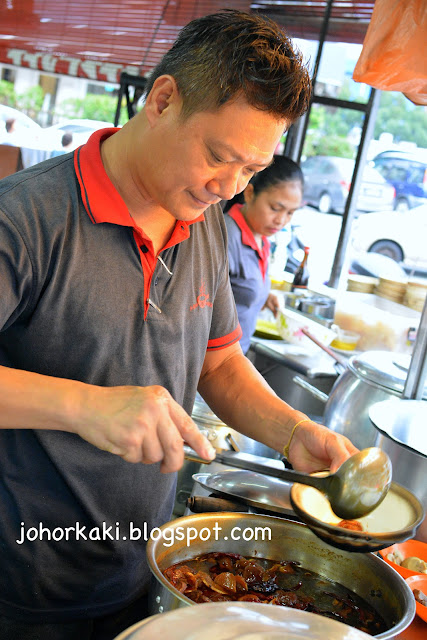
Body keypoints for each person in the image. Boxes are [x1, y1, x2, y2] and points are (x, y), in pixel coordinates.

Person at [0, 9, 358, 639]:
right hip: (22, 584)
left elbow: (217, 363)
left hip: (143, 566)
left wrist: (293, 431)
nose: (229, 186)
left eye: (251, 170)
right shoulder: (27, 218)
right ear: (163, 100)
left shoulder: (206, 224)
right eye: (219, 156)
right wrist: (86, 407)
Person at [223, 156, 304, 354]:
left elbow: (236, 290)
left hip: (236, 354)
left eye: (290, 213)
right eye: (275, 209)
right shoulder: (225, 236)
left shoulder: (263, 240)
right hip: (208, 363)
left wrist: (263, 296)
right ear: (249, 193)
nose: (281, 220)